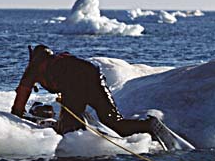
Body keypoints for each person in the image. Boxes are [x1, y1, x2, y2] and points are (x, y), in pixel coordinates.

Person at [11, 44, 154, 137]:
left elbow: (23, 92)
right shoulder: (59, 60)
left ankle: (76, 155)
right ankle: (147, 126)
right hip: (95, 77)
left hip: (76, 84)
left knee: (70, 129)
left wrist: (16, 114)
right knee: (113, 121)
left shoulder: (34, 69)